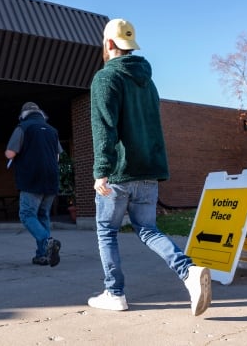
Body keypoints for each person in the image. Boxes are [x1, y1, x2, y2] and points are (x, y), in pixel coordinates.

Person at [87, 19, 212, 315]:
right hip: (148, 171)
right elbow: (153, 126)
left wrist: (100, 170)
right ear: (131, 45)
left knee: (107, 230)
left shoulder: (106, 78)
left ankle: (114, 292)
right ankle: (189, 272)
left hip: (119, 173)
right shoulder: (148, 82)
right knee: (148, 229)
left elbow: (104, 127)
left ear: (108, 44)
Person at [5, 102, 62, 267]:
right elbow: (57, 157)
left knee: (27, 214)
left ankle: (47, 242)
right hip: (51, 179)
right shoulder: (52, 130)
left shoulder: (23, 127)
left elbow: (10, 153)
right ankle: (43, 255)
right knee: (43, 215)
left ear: (24, 114)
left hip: (31, 178)